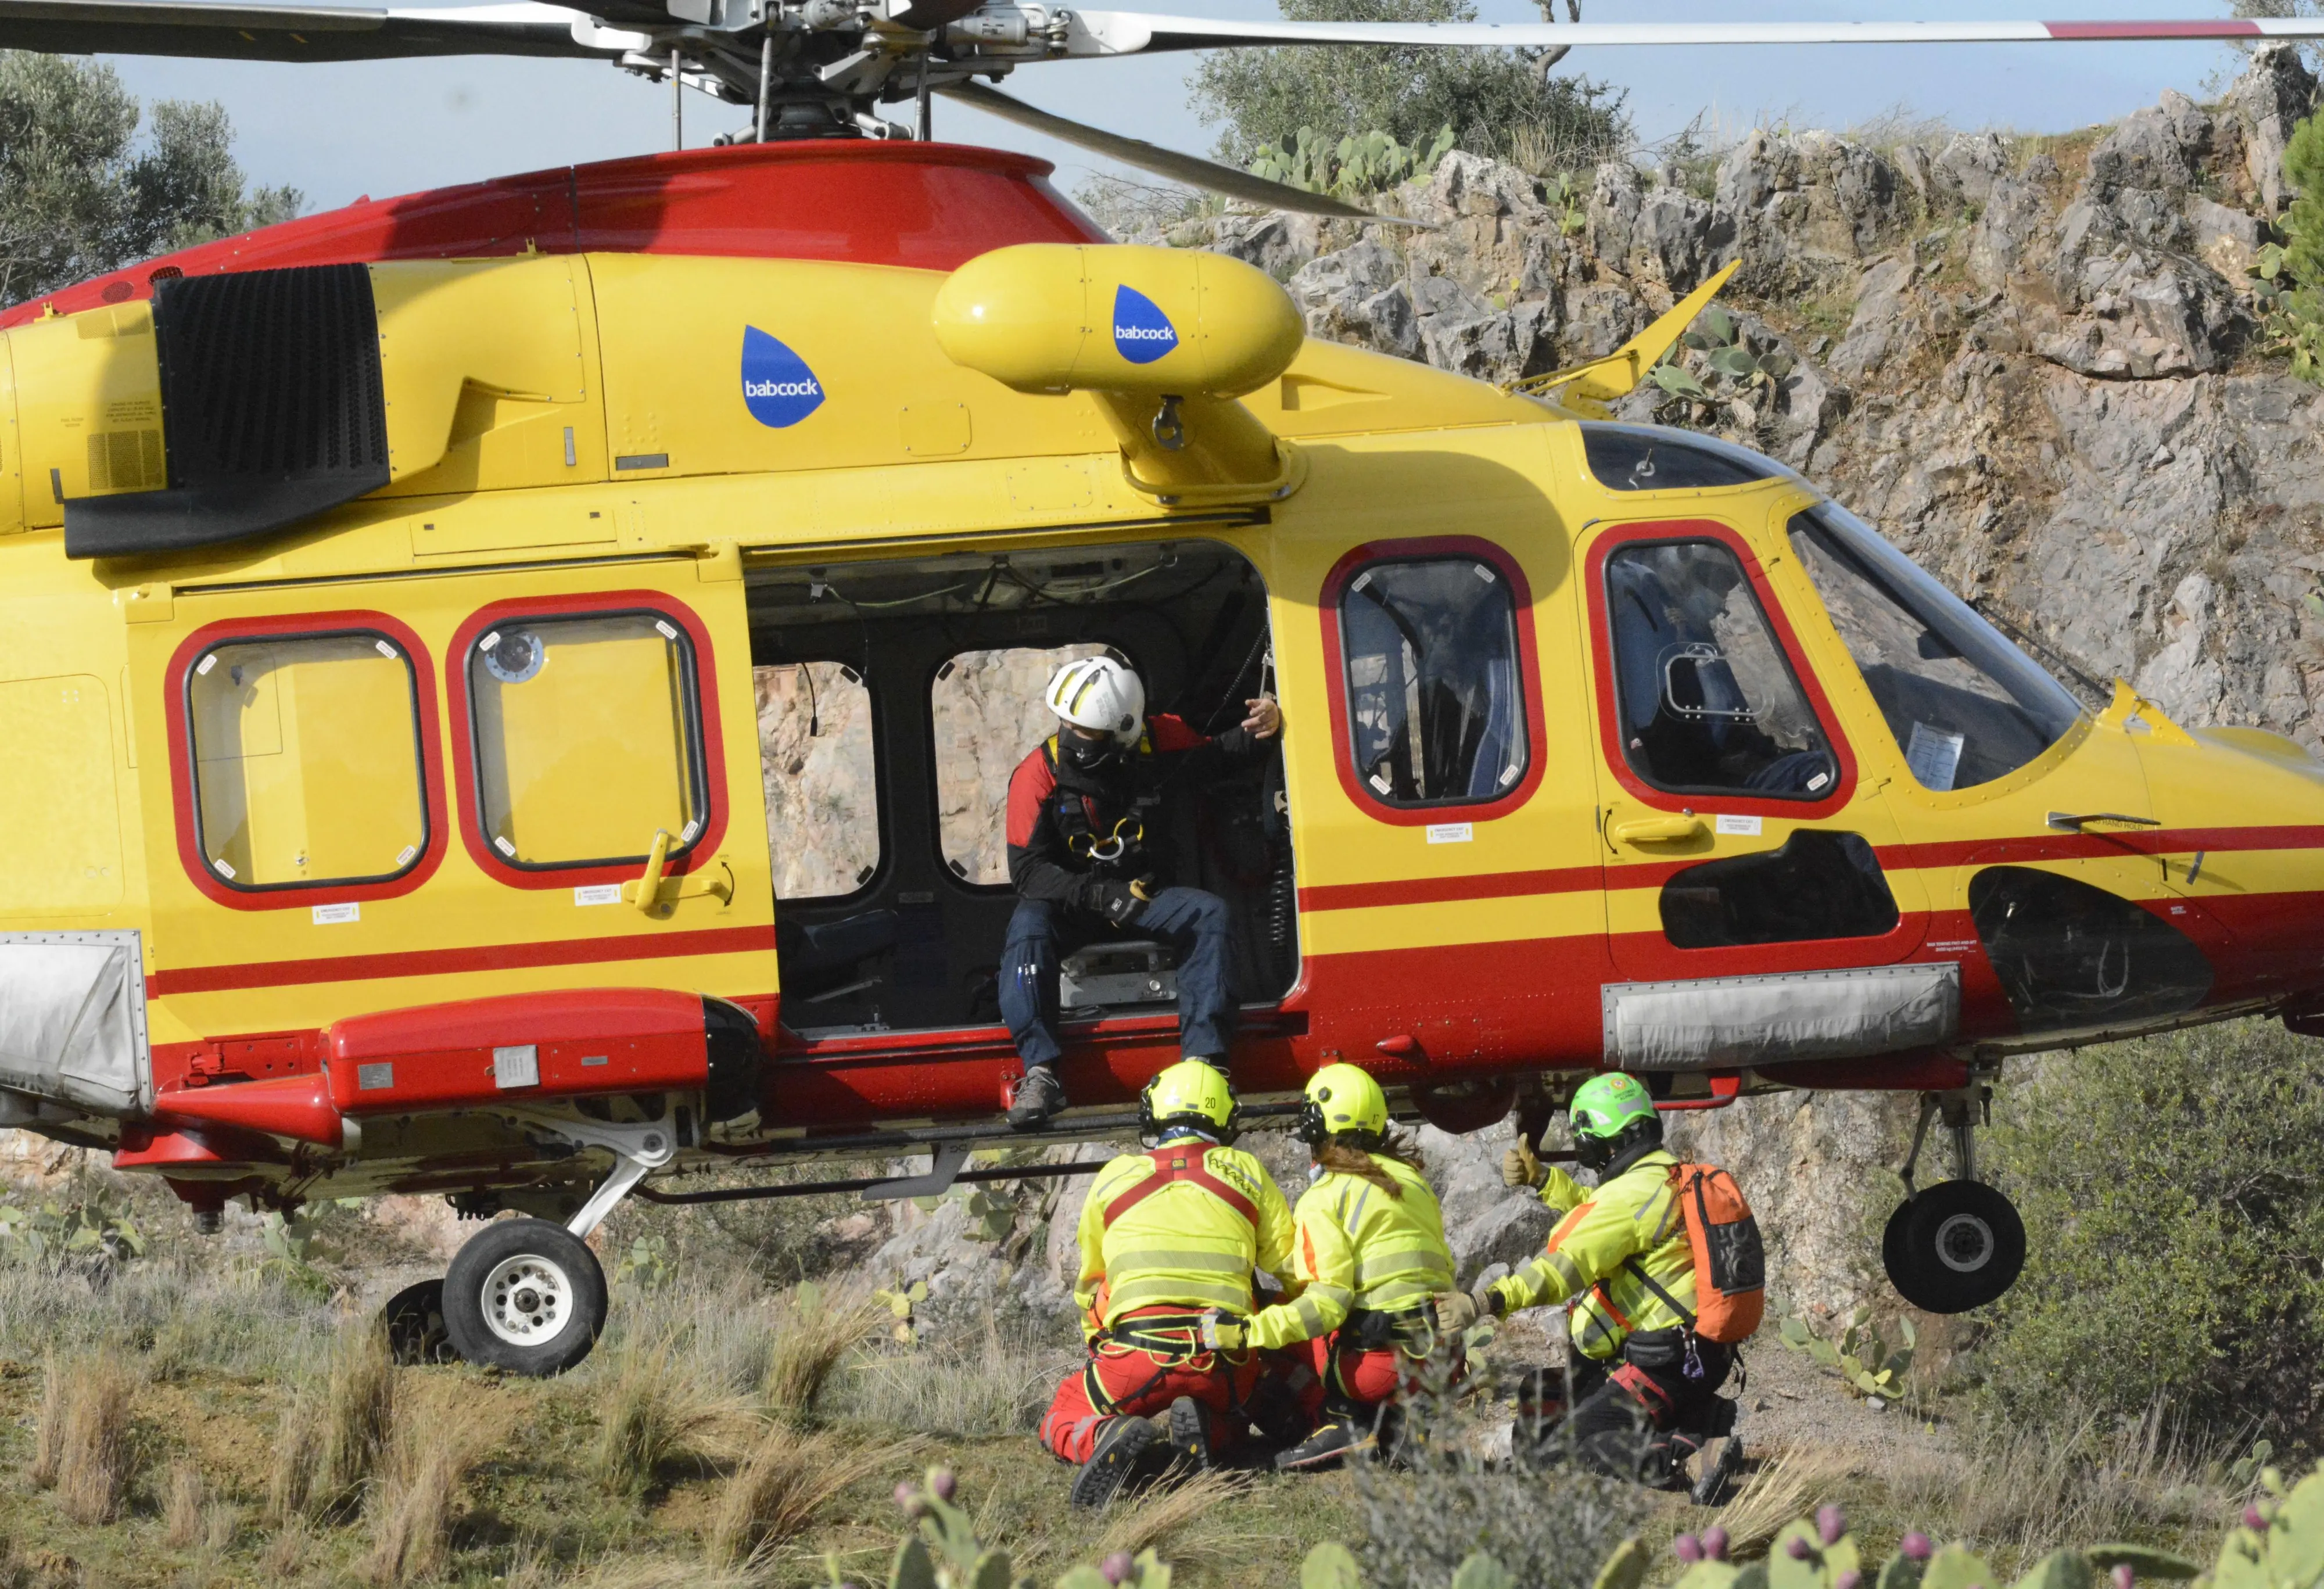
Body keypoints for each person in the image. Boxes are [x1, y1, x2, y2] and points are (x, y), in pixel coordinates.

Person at [1001, 654, 1284, 1128]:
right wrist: (1097, 894)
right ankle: (1040, 1072)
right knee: (1028, 923)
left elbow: (1221, 754)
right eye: (1067, 724)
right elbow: (1027, 873)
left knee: (1209, 914)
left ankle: (1206, 1066)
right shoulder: (1037, 774)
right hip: (1075, 904)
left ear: (1122, 731)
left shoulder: (1160, 742)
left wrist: (1267, 725)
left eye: (1086, 731)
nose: (1072, 737)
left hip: (1147, 897)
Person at [1434, 1072, 1736, 1486]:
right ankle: (1700, 1416)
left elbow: (1563, 1267)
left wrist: (1485, 1301)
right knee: (1544, 1391)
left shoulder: (1630, 1195)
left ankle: (1692, 1453)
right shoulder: (1661, 1176)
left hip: (1663, 1364)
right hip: (1690, 1355)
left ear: (1601, 1141)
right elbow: (1601, 1216)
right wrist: (1544, 1180)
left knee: (1569, 1452)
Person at [1039, 1060, 1296, 1506]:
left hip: (1134, 1356)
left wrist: (1101, 1346)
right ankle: (1210, 1430)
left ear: (1153, 1113)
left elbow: (1091, 1284)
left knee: (1064, 1410)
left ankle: (1106, 1431)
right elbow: (1296, 1270)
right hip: (1223, 1361)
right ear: (1225, 1118)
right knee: (1234, 1416)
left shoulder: (1115, 1175)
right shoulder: (1248, 1172)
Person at [1208, 1063, 1457, 1471]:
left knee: (1274, 1323)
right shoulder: (1415, 1182)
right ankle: (1398, 1423)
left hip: (1375, 1367)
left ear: (1318, 1132)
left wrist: (1250, 1330)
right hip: (1441, 1359)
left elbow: (1328, 1304)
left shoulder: (1325, 1196)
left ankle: (1341, 1421)